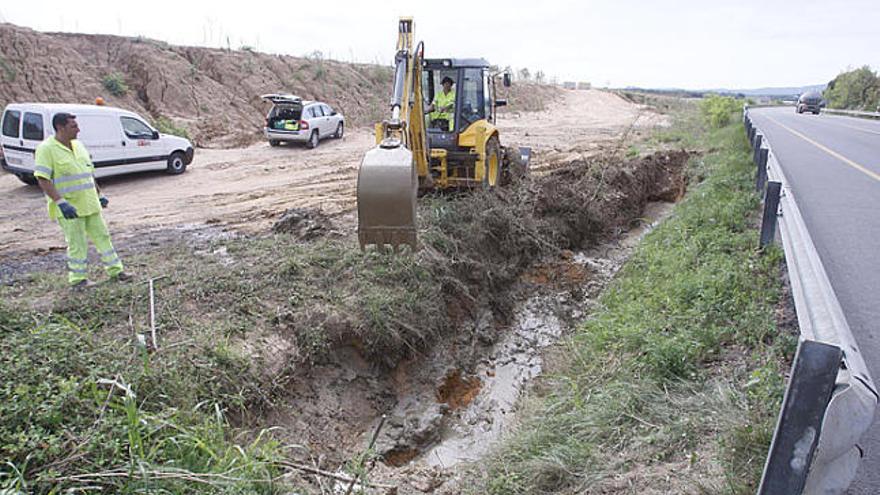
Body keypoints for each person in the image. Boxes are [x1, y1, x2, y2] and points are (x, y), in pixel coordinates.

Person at [33, 112, 131, 289]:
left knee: (103, 237)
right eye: (73, 126)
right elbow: (43, 179)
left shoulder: (78, 146)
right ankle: (78, 280)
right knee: (77, 244)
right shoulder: (46, 149)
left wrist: (99, 194)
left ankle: (116, 271)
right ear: (60, 127)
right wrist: (60, 202)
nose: (78, 130)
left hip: (90, 203)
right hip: (70, 207)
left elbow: (88, 173)